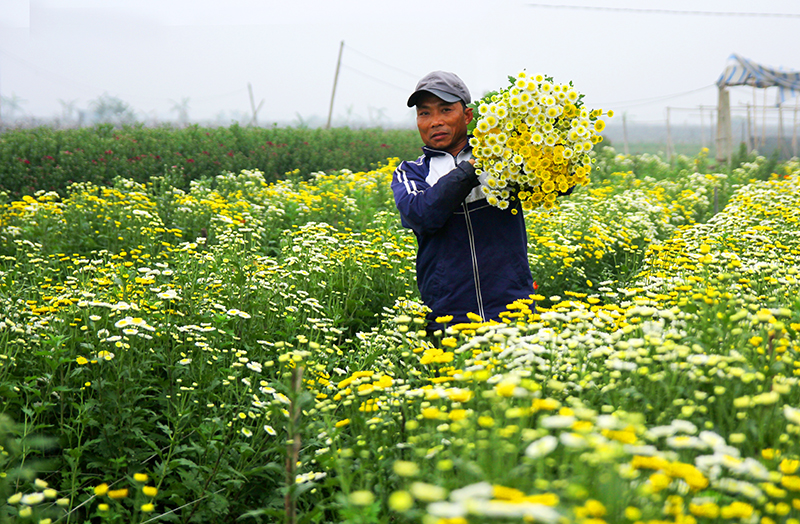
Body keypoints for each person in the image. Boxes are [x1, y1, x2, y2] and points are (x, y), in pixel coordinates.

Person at [391, 71, 535, 334]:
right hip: (448, 317)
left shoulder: (505, 157)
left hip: (513, 308)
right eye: (424, 113)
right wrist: (471, 170)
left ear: (467, 116)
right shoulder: (411, 172)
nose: (435, 122)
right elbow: (423, 215)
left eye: (445, 110)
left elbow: (556, 184)